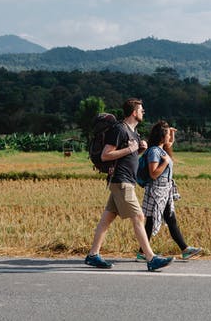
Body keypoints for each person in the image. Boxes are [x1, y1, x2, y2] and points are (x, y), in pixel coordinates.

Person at [85, 98, 174, 271]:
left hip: (125, 181)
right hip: (121, 181)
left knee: (107, 219)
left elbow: (128, 156)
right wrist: (130, 149)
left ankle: (92, 255)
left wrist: (139, 150)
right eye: (141, 109)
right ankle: (151, 258)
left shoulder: (132, 132)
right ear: (134, 112)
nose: (143, 112)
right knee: (138, 217)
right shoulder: (119, 129)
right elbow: (106, 155)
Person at [137, 120, 202, 262]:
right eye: (166, 134)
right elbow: (153, 173)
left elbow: (170, 143)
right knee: (153, 220)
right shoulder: (155, 151)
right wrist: (165, 162)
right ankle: (144, 252)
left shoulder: (161, 149)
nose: (169, 138)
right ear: (161, 136)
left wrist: (171, 132)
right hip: (157, 191)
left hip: (164, 190)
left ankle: (184, 249)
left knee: (167, 219)